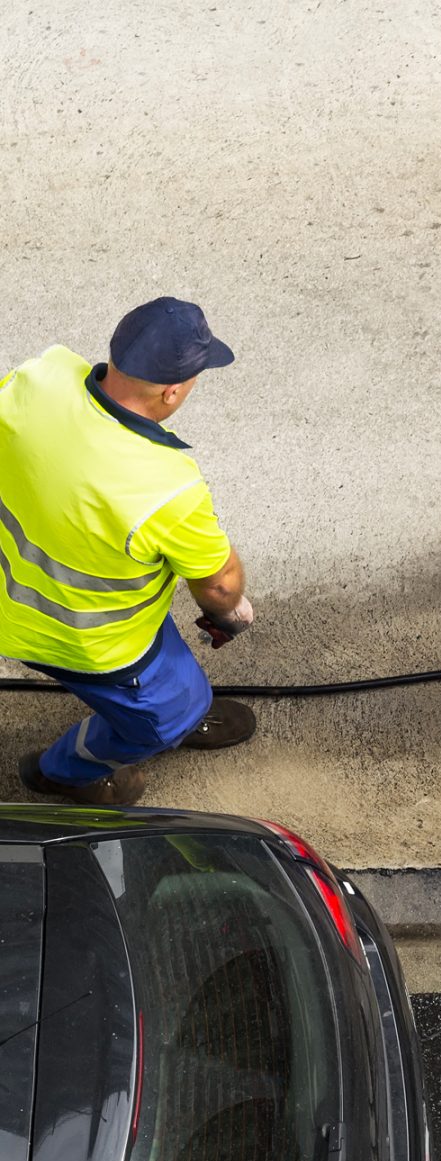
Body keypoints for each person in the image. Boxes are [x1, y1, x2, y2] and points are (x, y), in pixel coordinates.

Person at [0, 297, 257, 805]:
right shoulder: (166, 488)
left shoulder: (40, 377)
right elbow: (221, 584)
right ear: (172, 391)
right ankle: (63, 772)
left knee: (177, 681)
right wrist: (229, 613)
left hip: (13, 598)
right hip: (91, 638)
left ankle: (179, 706)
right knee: (162, 717)